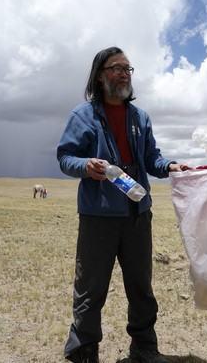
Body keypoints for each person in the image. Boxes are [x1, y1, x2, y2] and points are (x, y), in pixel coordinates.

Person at [57, 46, 188, 363]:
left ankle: (144, 348)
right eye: (117, 67)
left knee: (141, 287)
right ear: (101, 75)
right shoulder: (83, 116)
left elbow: (151, 158)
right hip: (98, 217)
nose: (124, 73)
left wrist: (170, 166)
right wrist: (85, 165)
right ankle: (84, 352)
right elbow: (65, 157)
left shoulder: (140, 117)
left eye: (128, 68)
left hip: (137, 215)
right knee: (91, 289)